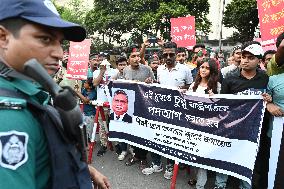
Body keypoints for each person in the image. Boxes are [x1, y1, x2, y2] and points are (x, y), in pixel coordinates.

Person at [0, 0, 110, 189]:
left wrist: (85, 170)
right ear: (3, 38)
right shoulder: (9, 116)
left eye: (60, 42)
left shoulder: (29, 90)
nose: (59, 53)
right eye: (45, 39)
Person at [215, 42, 271, 189]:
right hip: (231, 128)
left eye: (250, 58)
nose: (245, 60)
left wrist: (268, 99)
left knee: (248, 162)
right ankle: (220, 185)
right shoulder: (230, 79)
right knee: (225, 158)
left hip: (254, 132)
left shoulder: (265, 79)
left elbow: (270, 100)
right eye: (244, 57)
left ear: (259, 60)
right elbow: (222, 105)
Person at [142, 41, 193, 180]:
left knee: (171, 139)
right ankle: (156, 164)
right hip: (159, 110)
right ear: (162, 55)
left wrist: (185, 90)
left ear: (176, 54)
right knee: (154, 136)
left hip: (177, 112)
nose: (169, 57)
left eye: (172, 54)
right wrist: (152, 84)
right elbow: (160, 85)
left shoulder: (185, 70)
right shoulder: (159, 69)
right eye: (166, 54)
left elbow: (190, 87)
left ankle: (170, 166)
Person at [187, 58, 220, 189]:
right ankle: (195, 178)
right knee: (193, 152)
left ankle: (200, 184)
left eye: (206, 68)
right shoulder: (193, 85)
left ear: (211, 70)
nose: (203, 70)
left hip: (208, 126)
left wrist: (214, 98)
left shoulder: (217, 86)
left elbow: (222, 106)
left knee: (202, 155)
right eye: (201, 67)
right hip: (193, 124)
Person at [93, 59, 118, 156]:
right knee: (102, 126)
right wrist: (102, 71)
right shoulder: (96, 72)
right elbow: (95, 83)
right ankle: (104, 144)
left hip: (114, 103)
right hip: (101, 104)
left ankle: (117, 144)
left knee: (115, 125)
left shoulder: (114, 71)